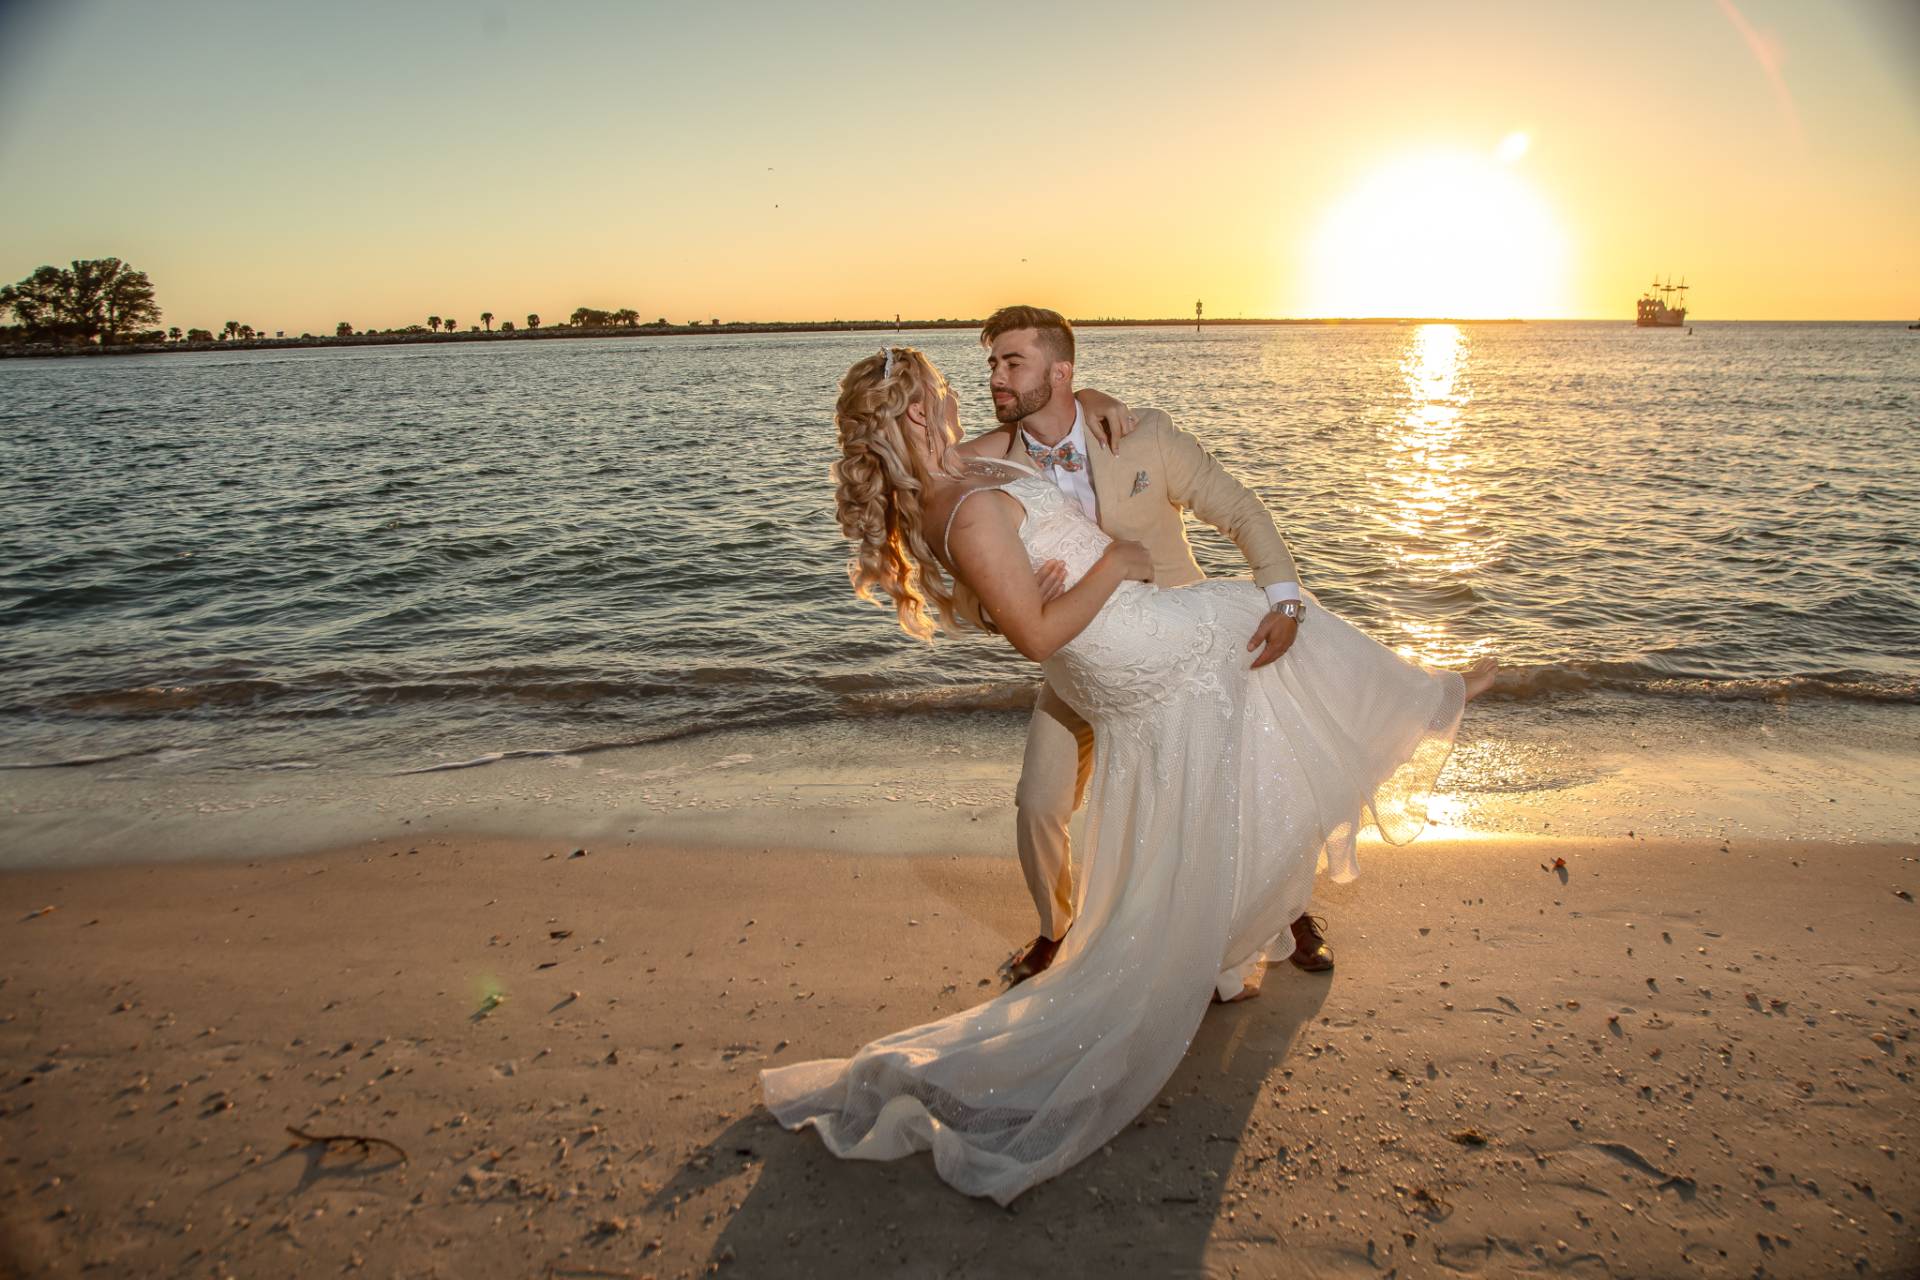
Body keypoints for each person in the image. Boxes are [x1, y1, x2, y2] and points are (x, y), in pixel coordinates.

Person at [760, 343, 1496, 1206]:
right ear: (918, 413)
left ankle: (1258, 900)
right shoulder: (962, 509)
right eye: (947, 391)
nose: (969, 395)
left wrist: (1091, 395)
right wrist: (1113, 563)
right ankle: (1426, 697)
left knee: (1252, 716)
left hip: (1122, 656)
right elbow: (1035, 635)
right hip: (1133, 643)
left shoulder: (960, 473)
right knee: (1257, 622)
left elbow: (1032, 440)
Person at [950, 306, 1332, 983]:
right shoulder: (989, 469)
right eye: (992, 364)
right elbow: (967, 587)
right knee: (1039, 803)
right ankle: (1055, 931)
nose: (996, 377)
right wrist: (1001, 603)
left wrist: (1284, 598)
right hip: (1077, 666)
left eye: (1012, 362)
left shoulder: (1139, 433)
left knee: (1232, 784)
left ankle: (1290, 911)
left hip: (1171, 649)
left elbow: (1238, 508)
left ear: (1061, 372)